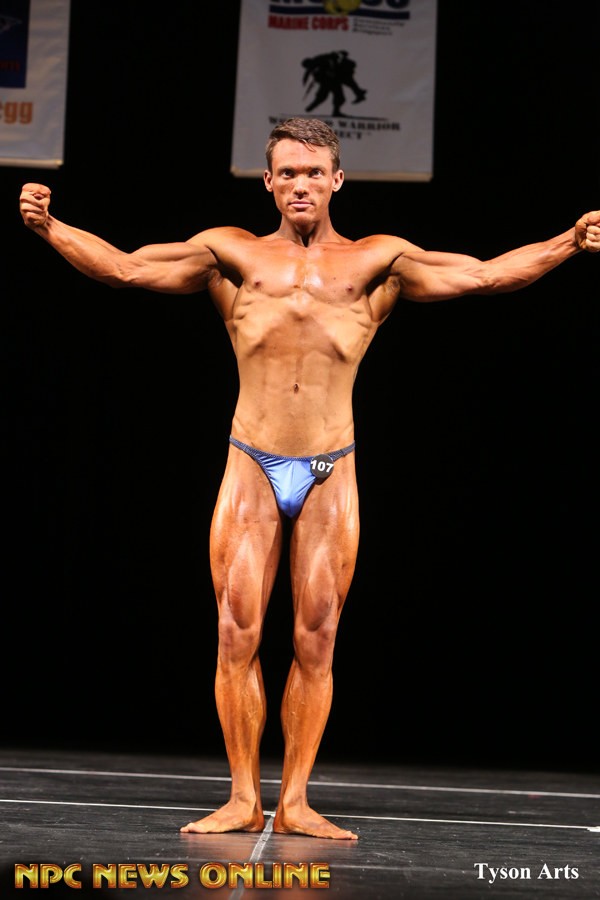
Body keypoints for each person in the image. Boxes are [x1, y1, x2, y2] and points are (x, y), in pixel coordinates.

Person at [19, 117, 599, 841]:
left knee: (316, 638)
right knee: (236, 631)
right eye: (287, 173)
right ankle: (242, 796)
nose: (300, 184)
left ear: (337, 180)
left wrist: (569, 242)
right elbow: (127, 268)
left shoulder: (378, 260)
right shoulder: (229, 253)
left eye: (313, 172)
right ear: (268, 182)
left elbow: (483, 274)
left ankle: (294, 800)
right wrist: (51, 229)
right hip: (252, 460)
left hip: (329, 466)